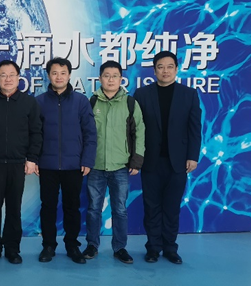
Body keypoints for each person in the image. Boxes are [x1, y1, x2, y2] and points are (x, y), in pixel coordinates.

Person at [133, 51, 201, 265]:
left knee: (171, 208)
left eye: (169, 66)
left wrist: (193, 156)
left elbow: (194, 128)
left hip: (178, 162)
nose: (165, 71)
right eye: (160, 67)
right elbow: (134, 129)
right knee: (151, 208)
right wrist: (136, 157)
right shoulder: (142, 94)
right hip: (151, 161)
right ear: (154, 70)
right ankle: (153, 248)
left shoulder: (189, 94)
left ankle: (171, 248)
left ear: (176, 69)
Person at [82, 61, 145, 264]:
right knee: (93, 209)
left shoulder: (130, 103)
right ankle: (92, 245)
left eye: (115, 76)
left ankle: (120, 248)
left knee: (120, 209)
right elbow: (83, 133)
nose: (110, 79)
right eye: (106, 75)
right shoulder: (91, 102)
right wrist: (85, 160)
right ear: (100, 78)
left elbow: (139, 133)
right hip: (96, 166)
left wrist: (136, 160)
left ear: (121, 79)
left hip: (120, 166)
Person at [35, 57, 96, 264]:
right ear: (48, 76)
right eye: (54, 73)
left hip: (73, 165)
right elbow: (34, 134)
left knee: (72, 207)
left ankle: (72, 245)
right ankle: (48, 246)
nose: (58, 77)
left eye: (63, 73)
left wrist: (87, 159)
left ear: (69, 75)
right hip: (47, 165)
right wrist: (34, 159)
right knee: (48, 207)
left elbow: (90, 133)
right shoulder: (40, 102)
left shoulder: (80, 101)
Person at [0, 60, 42, 265]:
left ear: (18, 77)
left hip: (18, 163)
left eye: (11, 75)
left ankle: (12, 249)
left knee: (14, 208)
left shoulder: (29, 103)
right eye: (3, 75)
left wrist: (32, 158)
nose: (7, 79)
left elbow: (36, 132)